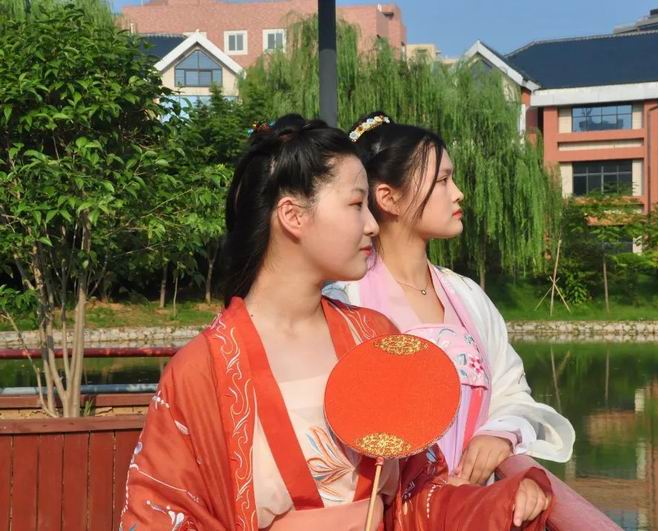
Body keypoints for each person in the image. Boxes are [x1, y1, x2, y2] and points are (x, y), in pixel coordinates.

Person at [120, 115, 553, 530]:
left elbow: (419, 493)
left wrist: (502, 501)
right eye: (356, 204)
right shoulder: (204, 370)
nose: (372, 224)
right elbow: (160, 512)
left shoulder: (376, 338)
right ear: (293, 216)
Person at [325, 112, 575, 485]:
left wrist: (500, 433)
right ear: (389, 198)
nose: (458, 193)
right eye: (442, 181)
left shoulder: (467, 296)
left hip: (469, 506)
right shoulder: (344, 301)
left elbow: (511, 392)